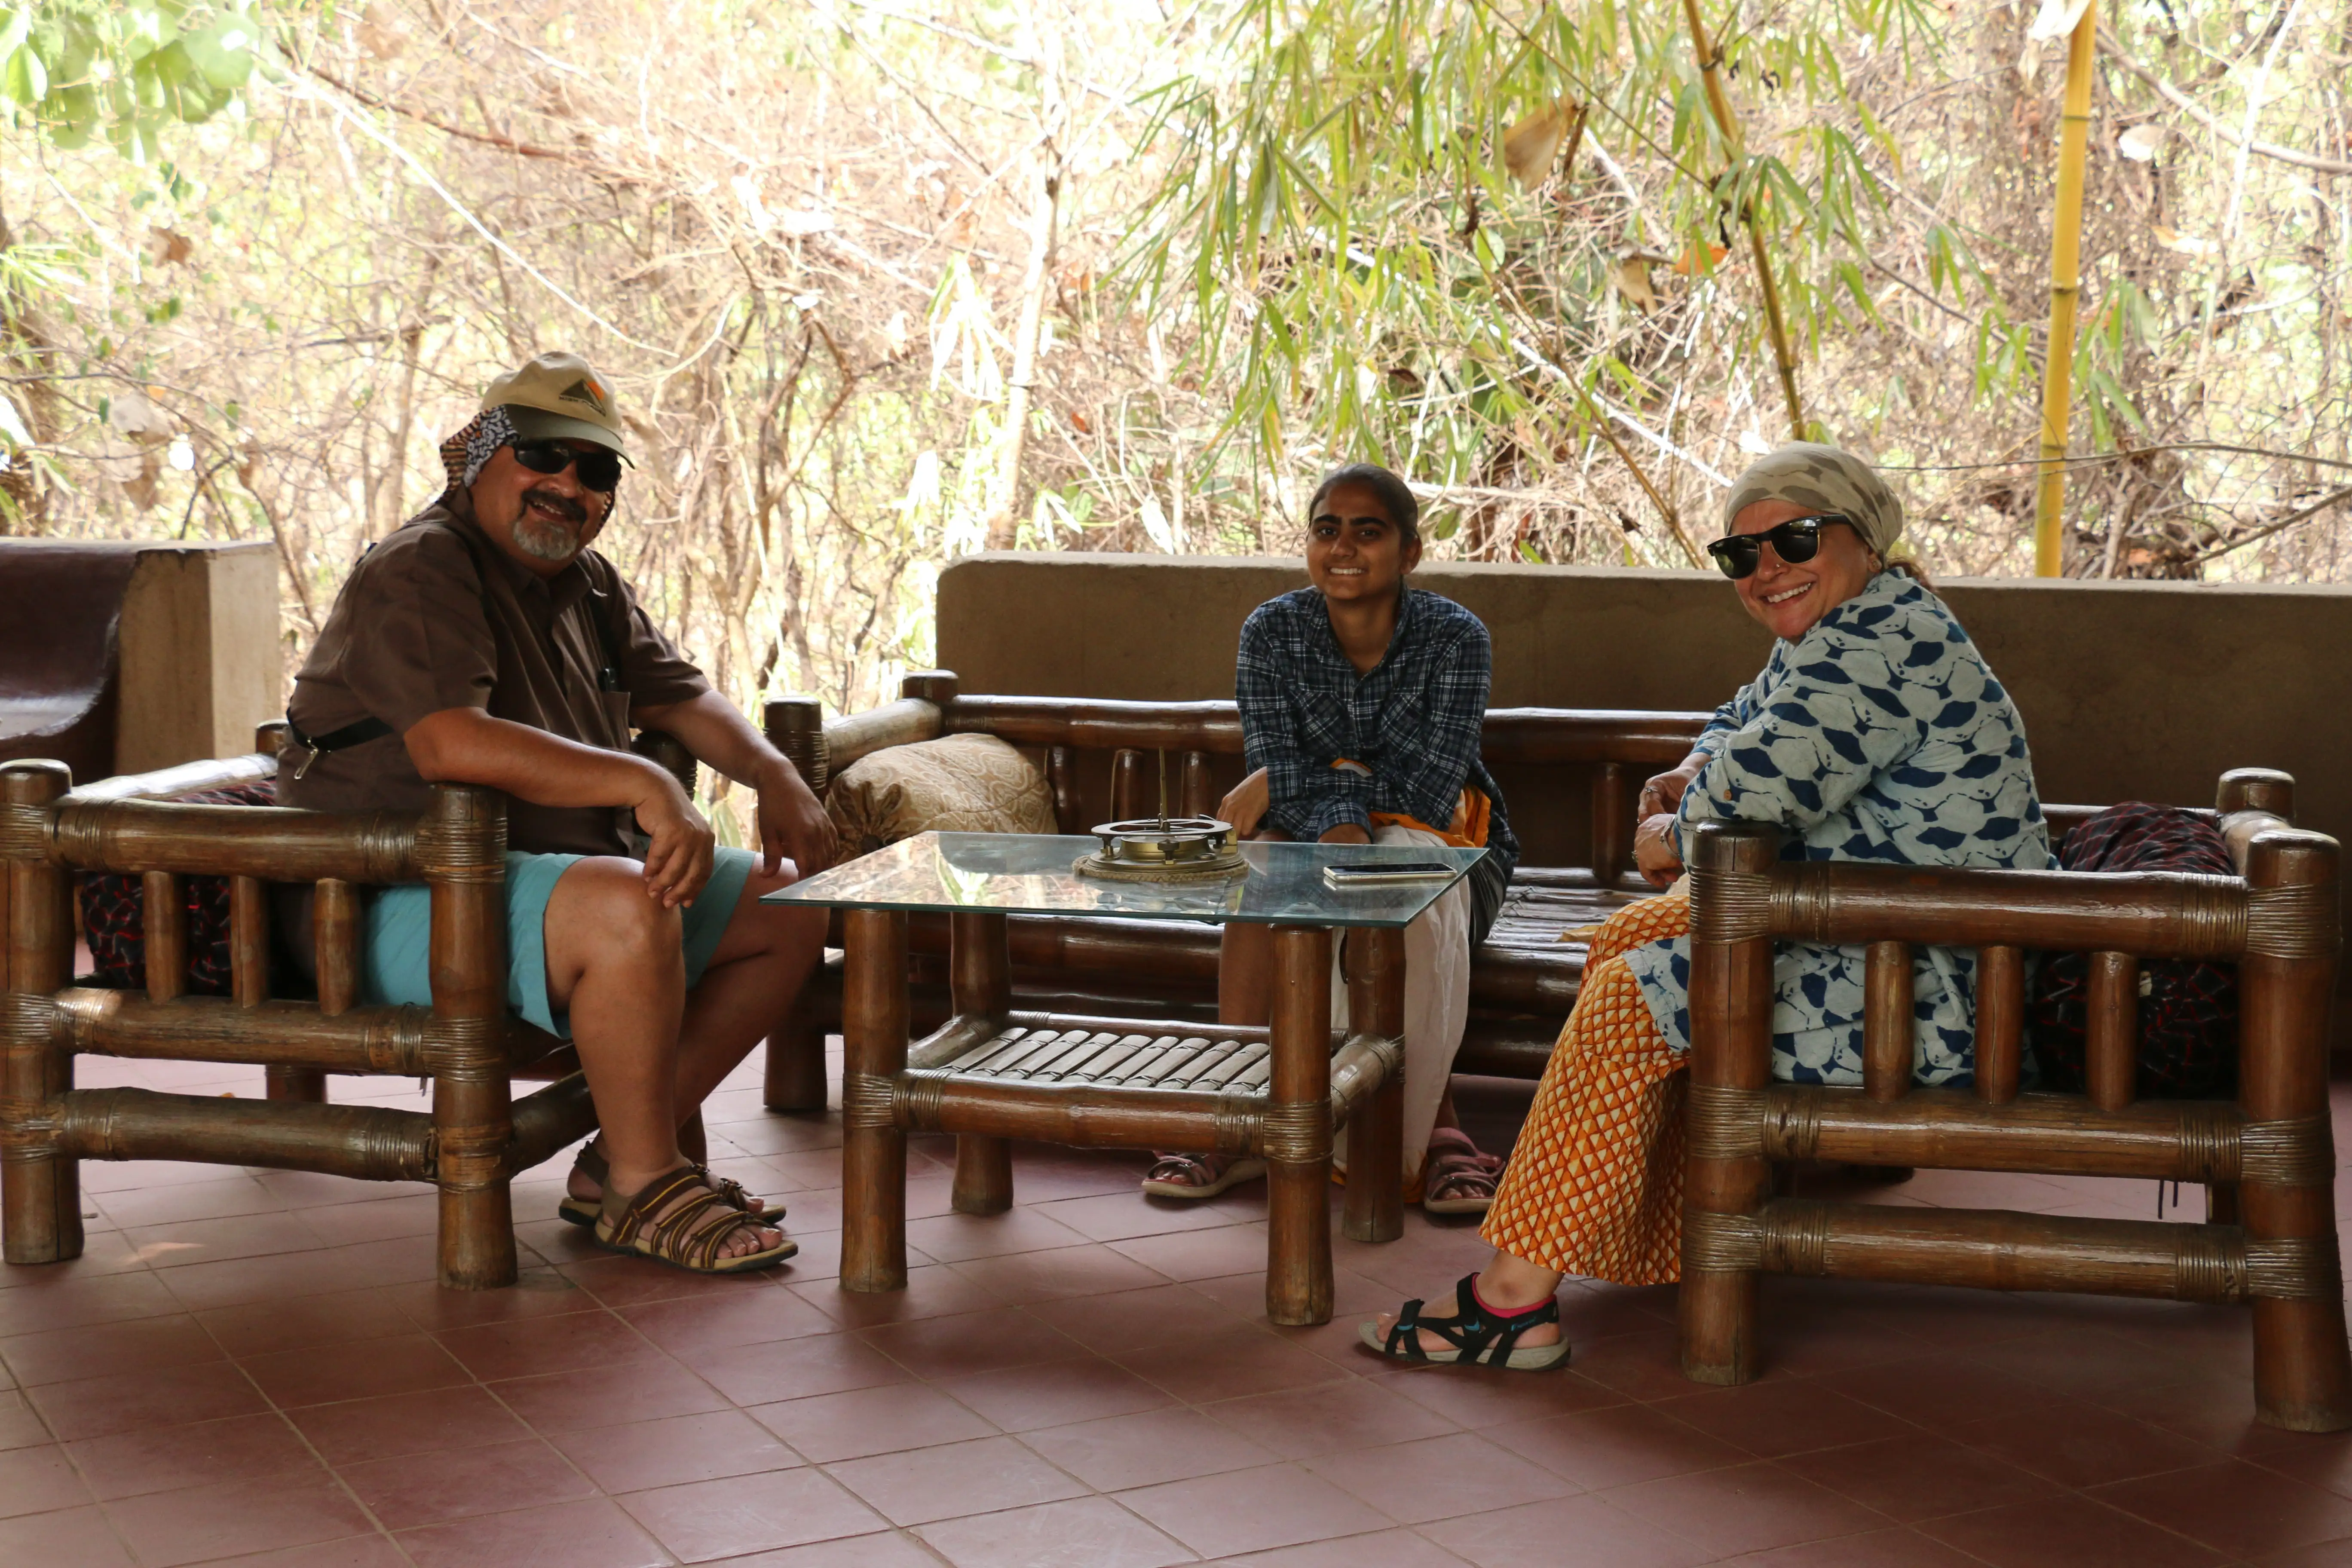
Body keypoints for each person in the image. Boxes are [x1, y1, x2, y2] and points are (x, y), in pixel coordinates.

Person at [1362, 441, 2054, 1367]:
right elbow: (1737, 729)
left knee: (1629, 998)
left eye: (1796, 540)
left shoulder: (1883, 647)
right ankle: (1651, 1242)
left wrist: (1673, 826)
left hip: (1940, 996)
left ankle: (1510, 1303)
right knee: (1630, 952)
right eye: (1741, 554)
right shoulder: (1846, 632)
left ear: (1864, 538)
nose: (1768, 570)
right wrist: (1698, 774)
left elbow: (1747, 797)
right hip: (1878, 948)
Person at [281, 352, 834, 1274]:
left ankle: (620, 1158)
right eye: (543, 454)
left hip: (545, 889)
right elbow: (450, 743)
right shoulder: (423, 568)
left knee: (792, 904)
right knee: (627, 902)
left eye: (596, 470)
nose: (567, 485)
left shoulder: (592, 587)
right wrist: (643, 784)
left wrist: (773, 771)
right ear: (481, 457)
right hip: (389, 897)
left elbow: (684, 700)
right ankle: (647, 1183)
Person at [1141, 463, 1518, 1211]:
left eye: (1368, 531)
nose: (1344, 546)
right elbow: (1272, 769)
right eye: (1327, 529)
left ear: (1410, 552)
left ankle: (1425, 1131)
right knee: (1268, 868)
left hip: (1451, 845)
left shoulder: (1454, 639)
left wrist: (1295, 782)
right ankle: (1239, 1117)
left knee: (1404, 878)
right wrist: (1318, 797)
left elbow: (1428, 791)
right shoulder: (1273, 632)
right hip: (1307, 840)